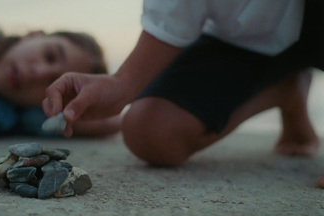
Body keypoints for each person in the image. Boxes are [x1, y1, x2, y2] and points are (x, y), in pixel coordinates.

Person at [42, 1, 324, 186]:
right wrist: (120, 83)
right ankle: (286, 88)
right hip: (242, 39)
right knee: (149, 131)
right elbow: (173, 19)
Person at [0, 0, 120, 140]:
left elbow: (111, 121)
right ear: (33, 35)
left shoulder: (4, 114)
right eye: (50, 55)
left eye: (53, 83)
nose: (39, 73)